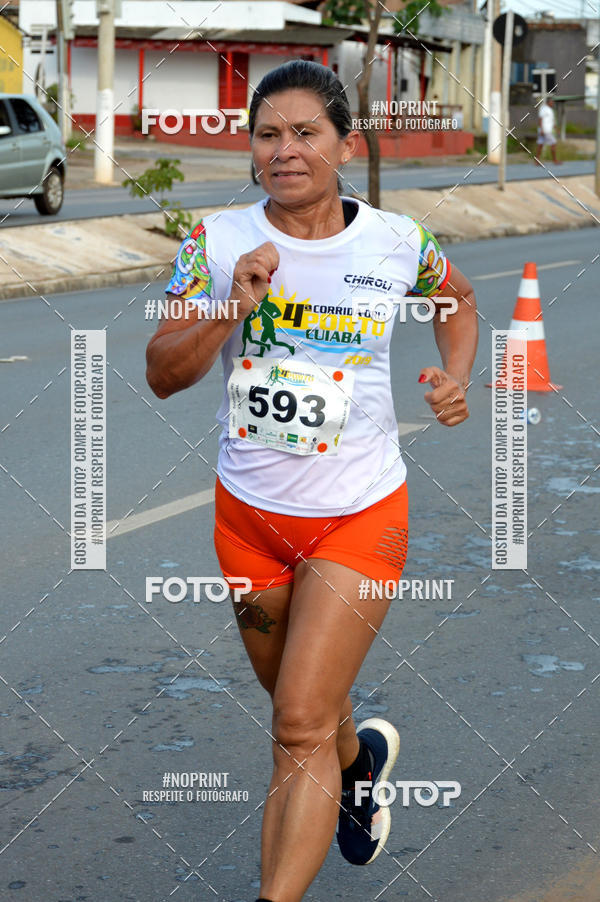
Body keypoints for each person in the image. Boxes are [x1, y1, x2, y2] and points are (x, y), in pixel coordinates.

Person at [146, 60, 478, 902]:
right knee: (310, 706)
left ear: (346, 145)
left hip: (359, 515)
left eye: (305, 133)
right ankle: (358, 762)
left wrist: (455, 377)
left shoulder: (399, 242)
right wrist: (232, 304)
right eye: (266, 135)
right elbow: (161, 372)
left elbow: (459, 300)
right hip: (248, 521)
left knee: (295, 720)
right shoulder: (217, 243)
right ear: (250, 149)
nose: (283, 150)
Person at [535, 96, 560, 165]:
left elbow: (552, 121)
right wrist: (542, 129)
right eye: (552, 102)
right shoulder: (544, 109)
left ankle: (536, 161)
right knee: (553, 143)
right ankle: (555, 160)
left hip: (546, 130)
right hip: (545, 130)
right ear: (548, 102)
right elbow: (540, 119)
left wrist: (556, 129)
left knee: (540, 144)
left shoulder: (550, 110)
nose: (553, 103)